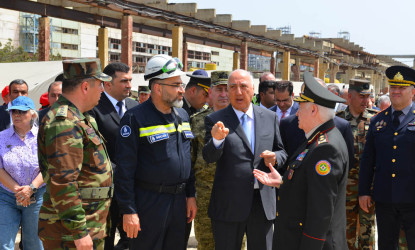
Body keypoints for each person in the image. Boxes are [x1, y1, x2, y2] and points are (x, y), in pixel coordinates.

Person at [254, 72, 349, 250]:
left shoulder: (325, 149)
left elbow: (320, 212)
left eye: (301, 107)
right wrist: (282, 183)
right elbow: (309, 188)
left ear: (313, 110)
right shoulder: (316, 139)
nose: (297, 112)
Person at [114, 54, 196, 250]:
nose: (182, 90)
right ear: (158, 88)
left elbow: (187, 158)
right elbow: (124, 169)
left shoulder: (183, 115)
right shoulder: (135, 118)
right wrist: (129, 210)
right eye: (176, 85)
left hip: (179, 203)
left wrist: (190, 194)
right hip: (148, 204)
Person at [202, 69, 287, 250]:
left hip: (262, 203)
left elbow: (281, 151)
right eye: (232, 87)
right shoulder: (215, 120)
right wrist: (217, 139)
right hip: (229, 205)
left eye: (243, 86)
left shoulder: (269, 117)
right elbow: (208, 157)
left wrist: (275, 157)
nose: (238, 92)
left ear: (253, 88)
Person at [38, 58, 113, 249]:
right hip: (70, 232)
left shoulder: (80, 117)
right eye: (100, 84)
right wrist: (79, 233)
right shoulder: (64, 122)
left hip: (87, 222)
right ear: (86, 87)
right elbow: (63, 182)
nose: (103, 90)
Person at [359, 65, 415, 249]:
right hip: (386, 198)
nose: (396, 92)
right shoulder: (378, 120)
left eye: (402, 88)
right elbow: (368, 159)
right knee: (386, 245)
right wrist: (364, 191)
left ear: (412, 92)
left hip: (412, 198)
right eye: (393, 88)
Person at [89, 62, 138, 250]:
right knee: (105, 240)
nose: (129, 85)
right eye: (124, 81)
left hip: (132, 186)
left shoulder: (134, 106)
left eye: (130, 80)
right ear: (107, 84)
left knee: (132, 238)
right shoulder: (95, 107)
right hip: (106, 188)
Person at [190, 71, 230, 250]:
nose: (223, 94)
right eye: (218, 89)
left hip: (233, 194)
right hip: (205, 194)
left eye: (227, 89)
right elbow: (189, 162)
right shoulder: (197, 121)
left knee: (235, 243)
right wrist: (190, 195)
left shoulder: (243, 119)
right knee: (206, 243)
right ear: (210, 93)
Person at [336, 79, 377, 249]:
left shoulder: (375, 119)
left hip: (369, 186)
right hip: (345, 187)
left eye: (368, 97)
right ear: (350, 96)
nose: (365, 101)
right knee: (346, 231)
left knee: (367, 231)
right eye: (361, 96)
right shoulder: (337, 121)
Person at [0, 96, 44, 250]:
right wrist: (19, 191)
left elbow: (49, 167)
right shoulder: (1, 137)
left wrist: (31, 188)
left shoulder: (43, 136)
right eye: (13, 112)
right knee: (3, 243)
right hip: (6, 196)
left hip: (37, 195)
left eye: (21, 112)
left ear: (32, 114)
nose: (16, 115)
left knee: (34, 243)